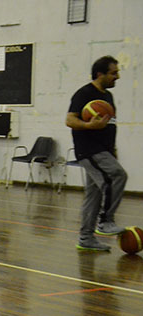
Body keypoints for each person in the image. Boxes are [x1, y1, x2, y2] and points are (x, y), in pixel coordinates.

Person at [66, 55, 127, 251]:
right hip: (89, 150)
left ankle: (85, 238)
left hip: (104, 150)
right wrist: (88, 125)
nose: (117, 77)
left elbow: (110, 125)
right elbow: (69, 120)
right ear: (100, 74)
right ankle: (105, 221)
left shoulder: (108, 96)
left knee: (93, 194)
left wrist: (113, 150)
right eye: (113, 73)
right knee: (117, 176)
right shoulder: (83, 94)